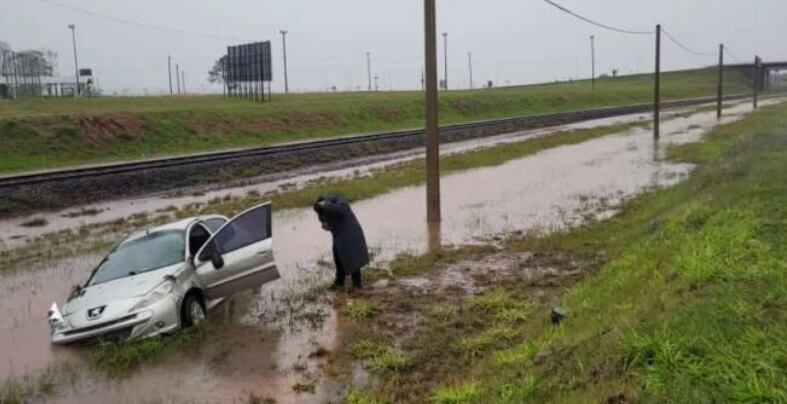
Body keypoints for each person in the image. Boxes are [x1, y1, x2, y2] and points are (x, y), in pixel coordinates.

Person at [313, 196, 369, 291]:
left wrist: (325, 205)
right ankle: (339, 282)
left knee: (353, 258)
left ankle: (357, 284)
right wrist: (325, 225)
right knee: (338, 258)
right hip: (339, 236)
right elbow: (326, 224)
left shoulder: (340, 201)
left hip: (351, 234)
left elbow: (340, 211)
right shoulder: (324, 211)